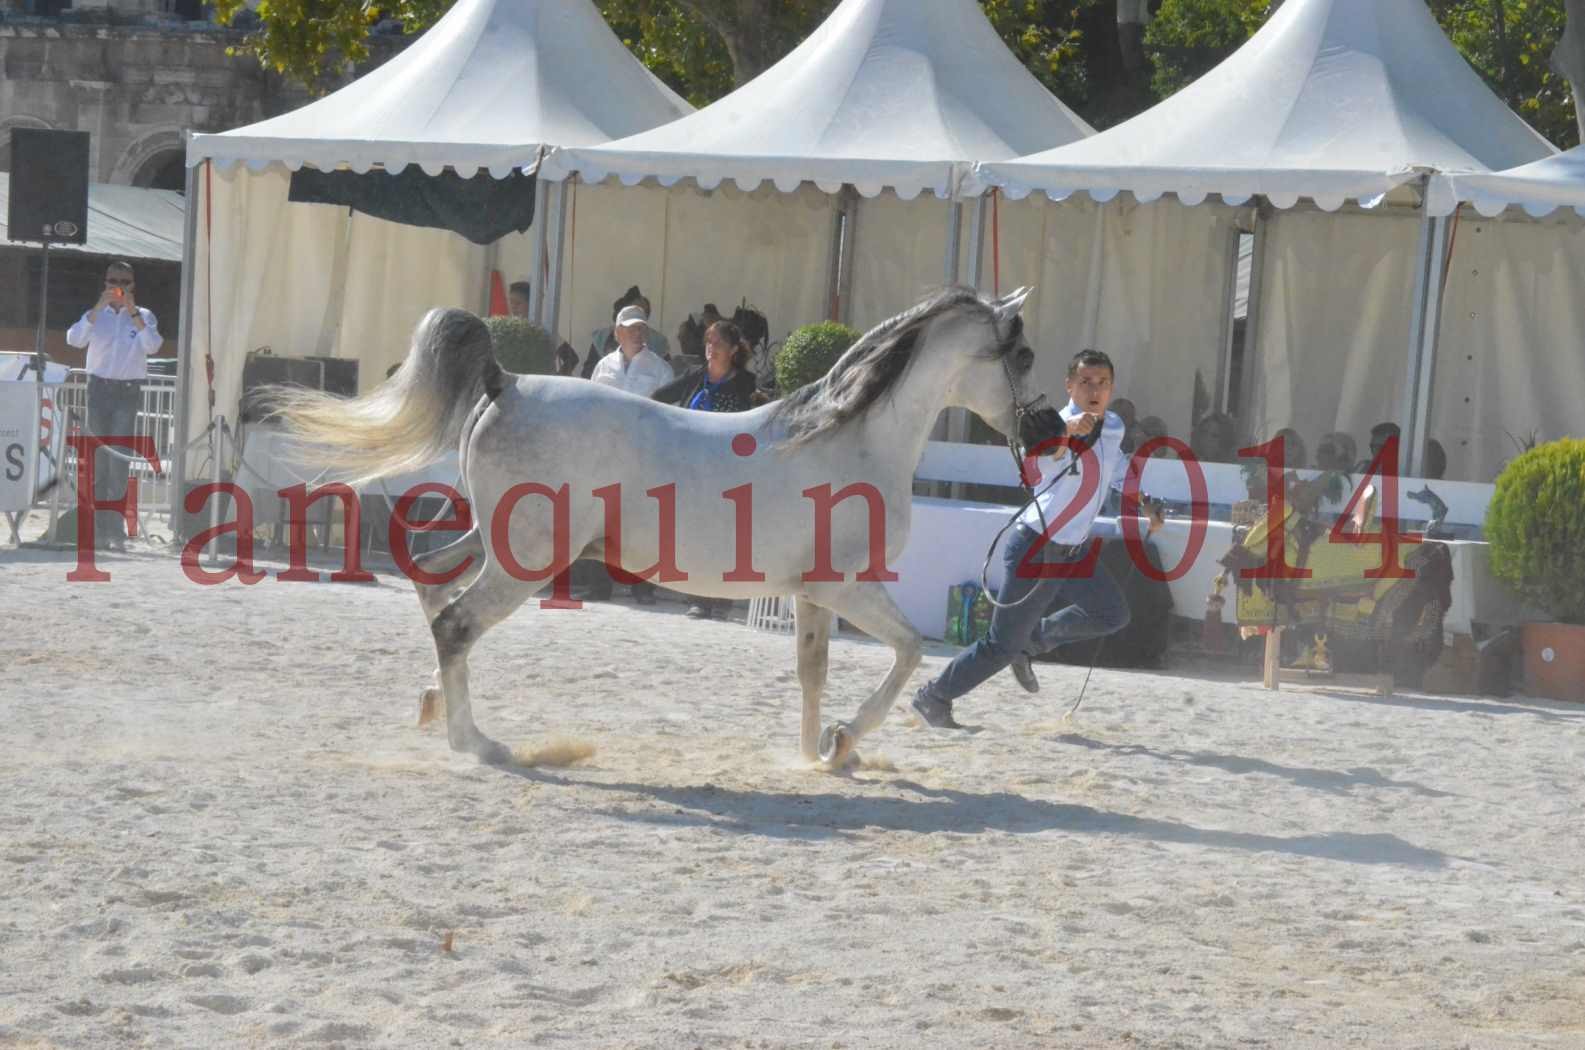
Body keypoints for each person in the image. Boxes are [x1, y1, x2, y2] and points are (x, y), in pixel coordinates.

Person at [912, 349, 1164, 730]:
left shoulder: (1113, 426)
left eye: (1103, 383)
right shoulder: (1049, 428)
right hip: (1035, 547)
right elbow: (1032, 474)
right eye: (1086, 382)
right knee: (999, 646)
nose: (1095, 390)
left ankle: (1032, 643)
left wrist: (1145, 500)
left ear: (1111, 388)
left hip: (1074, 553)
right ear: (1069, 386)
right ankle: (933, 696)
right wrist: (1063, 438)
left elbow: (1117, 471)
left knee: (1112, 614)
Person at [651, 319, 759, 619]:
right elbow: (658, 398)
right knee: (693, 531)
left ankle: (721, 600)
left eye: (718, 343)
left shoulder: (747, 384)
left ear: (733, 349)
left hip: (729, 468)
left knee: (725, 534)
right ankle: (697, 597)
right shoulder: (695, 377)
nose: (710, 347)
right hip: (692, 466)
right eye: (708, 342)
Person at [580, 304, 676, 605]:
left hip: (645, 454)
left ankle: (643, 586)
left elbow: (670, 415)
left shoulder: (660, 368)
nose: (637, 332)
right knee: (600, 518)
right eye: (631, 328)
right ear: (617, 332)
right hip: (606, 451)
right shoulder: (603, 366)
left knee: (643, 521)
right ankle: (598, 585)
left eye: (641, 328)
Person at [65, 261, 163, 548]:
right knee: (96, 458)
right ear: (105, 283)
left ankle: (114, 527)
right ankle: (94, 527)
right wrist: (97, 308)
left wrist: (133, 312)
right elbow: (74, 340)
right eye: (112, 280)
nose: (117, 286)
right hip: (98, 390)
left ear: (133, 286)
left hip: (127, 391)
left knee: (118, 458)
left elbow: (153, 345)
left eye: (124, 281)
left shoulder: (144, 315)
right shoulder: (95, 315)